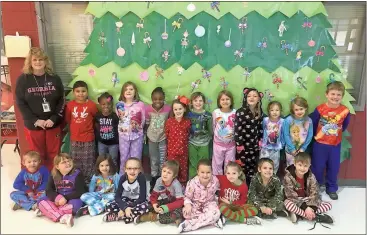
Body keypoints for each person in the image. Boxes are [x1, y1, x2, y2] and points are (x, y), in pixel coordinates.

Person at [15, 47, 65, 170]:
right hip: (34, 125)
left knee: (54, 154)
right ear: (30, 62)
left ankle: (54, 179)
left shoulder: (54, 78)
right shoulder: (23, 80)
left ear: (45, 61)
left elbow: (61, 100)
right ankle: (40, 181)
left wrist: (53, 119)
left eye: (41, 59)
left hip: (52, 123)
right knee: (37, 156)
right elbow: (20, 103)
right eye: (35, 60)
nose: (38, 62)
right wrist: (35, 120)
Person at [310, 81, 351, 200]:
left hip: (335, 145)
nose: (335, 97)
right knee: (317, 167)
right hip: (320, 144)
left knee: (334, 167)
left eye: (339, 94)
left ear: (342, 96)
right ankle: (315, 187)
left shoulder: (345, 111)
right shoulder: (320, 109)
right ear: (326, 94)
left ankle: (331, 188)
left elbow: (345, 125)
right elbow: (313, 123)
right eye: (333, 94)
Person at [283, 152, 333, 227]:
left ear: (309, 166)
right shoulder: (288, 176)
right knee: (287, 204)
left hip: (307, 199)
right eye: (300, 165)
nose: (302, 168)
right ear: (294, 163)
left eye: (305, 166)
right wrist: (305, 208)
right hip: (294, 200)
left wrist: (311, 207)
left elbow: (315, 192)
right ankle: (313, 216)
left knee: (328, 205)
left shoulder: (311, 176)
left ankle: (300, 214)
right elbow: (290, 195)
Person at [37, 153, 87, 227]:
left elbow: (80, 192)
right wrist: (57, 198)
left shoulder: (77, 174)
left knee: (75, 206)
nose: (68, 163)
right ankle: (64, 216)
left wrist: (65, 198)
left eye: (69, 160)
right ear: (57, 166)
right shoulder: (53, 174)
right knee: (41, 202)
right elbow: (48, 190)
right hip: (59, 199)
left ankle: (49, 212)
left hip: (73, 198)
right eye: (64, 162)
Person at [65, 81, 98, 184]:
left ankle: (89, 181)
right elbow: (68, 119)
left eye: (83, 91)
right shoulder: (70, 105)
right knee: (75, 160)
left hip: (88, 138)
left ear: (87, 92)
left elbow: (95, 118)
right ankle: (77, 180)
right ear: (74, 93)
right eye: (78, 91)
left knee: (88, 161)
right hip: (75, 138)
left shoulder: (91, 105)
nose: (80, 94)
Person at [178, 159, 223, 233]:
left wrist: (218, 200)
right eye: (202, 172)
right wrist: (188, 205)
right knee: (186, 214)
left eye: (208, 172)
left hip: (209, 203)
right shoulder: (192, 183)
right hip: (195, 204)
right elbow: (187, 197)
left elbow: (217, 192)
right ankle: (213, 222)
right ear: (197, 172)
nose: (205, 175)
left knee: (216, 213)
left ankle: (187, 225)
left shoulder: (215, 181)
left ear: (212, 172)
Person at [134, 160, 184, 225]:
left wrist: (166, 208)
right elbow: (154, 195)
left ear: (174, 176)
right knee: (148, 205)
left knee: (178, 212)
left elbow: (180, 202)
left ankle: (153, 217)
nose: (165, 174)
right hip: (166, 201)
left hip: (175, 204)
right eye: (164, 171)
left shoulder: (176, 184)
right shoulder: (159, 180)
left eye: (169, 173)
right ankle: (148, 214)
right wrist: (154, 204)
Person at [103, 158, 149, 223]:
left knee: (145, 206)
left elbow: (142, 198)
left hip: (138, 201)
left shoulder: (141, 178)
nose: (132, 171)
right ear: (125, 169)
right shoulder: (123, 178)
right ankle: (129, 216)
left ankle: (121, 215)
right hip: (126, 200)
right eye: (129, 168)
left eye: (135, 168)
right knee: (109, 205)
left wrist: (127, 207)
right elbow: (117, 197)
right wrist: (125, 207)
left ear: (140, 170)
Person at [234, 88, 264, 186]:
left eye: (255, 96)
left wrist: (260, 140)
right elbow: (237, 129)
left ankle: (251, 188)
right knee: (241, 167)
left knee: (253, 167)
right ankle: (240, 188)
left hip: (254, 147)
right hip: (243, 147)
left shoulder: (259, 112)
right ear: (246, 98)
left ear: (259, 99)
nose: (252, 98)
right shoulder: (240, 112)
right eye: (249, 96)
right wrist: (239, 144)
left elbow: (260, 127)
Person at [116, 81, 145, 174]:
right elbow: (120, 118)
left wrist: (137, 130)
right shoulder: (119, 105)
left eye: (131, 89)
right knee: (124, 157)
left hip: (137, 136)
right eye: (126, 89)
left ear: (135, 92)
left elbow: (143, 119)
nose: (128, 91)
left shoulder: (140, 104)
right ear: (122, 92)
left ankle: (136, 178)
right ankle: (122, 178)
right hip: (123, 136)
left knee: (136, 158)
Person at [145, 87, 171, 190]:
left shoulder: (168, 109)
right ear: (152, 99)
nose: (157, 101)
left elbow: (169, 123)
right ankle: (154, 178)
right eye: (155, 99)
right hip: (152, 138)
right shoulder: (148, 109)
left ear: (164, 99)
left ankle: (162, 178)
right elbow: (147, 124)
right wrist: (146, 136)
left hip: (163, 138)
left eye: (160, 99)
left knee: (162, 159)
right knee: (154, 159)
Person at [165, 97, 191, 186]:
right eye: (175, 109)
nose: (178, 111)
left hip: (183, 152)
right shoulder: (169, 122)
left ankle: (182, 186)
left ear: (184, 109)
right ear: (173, 110)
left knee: (183, 169)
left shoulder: (187, 122)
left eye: (180, 109)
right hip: (172, 152)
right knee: (171, 169)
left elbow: (188, 135)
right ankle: (171, 186)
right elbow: (167, 135)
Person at [187, 92, 212, 179]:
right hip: (191, 143)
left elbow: (210, 130)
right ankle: (192, 182)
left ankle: (203, 182)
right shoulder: (188, 114)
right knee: (193, 163)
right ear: (191, 102)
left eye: (200, 101)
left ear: (204, 102)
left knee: (204, 164)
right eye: (195, 100)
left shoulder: (208, 115)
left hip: (204, 143)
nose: (198, 103)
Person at [283, 97, 313, 167]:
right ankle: (289, 178)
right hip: (290, 150)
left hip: (302, 150)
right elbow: (286, 135)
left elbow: (310, 135)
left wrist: (303, 148)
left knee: (300, 167)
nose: (299, 111)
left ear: (305, 108)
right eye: (296, 109)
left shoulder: (309, 121)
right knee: (290, 167)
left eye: (301, 109)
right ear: (293, 110)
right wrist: (292, 149)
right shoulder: (288, 120)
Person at [212, 90, 236, 175]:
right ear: (219, 101)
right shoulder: (216, 112)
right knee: (216, 164)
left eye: (227, 99)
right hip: (218, 144)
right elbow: (213, 126)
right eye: (222, 99)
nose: (225, 101)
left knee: (230, 165)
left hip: (231, 145)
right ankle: (217, 183)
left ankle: (228, 183)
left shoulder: (235, 112)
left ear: (231, 100)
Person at [95, 92, 119, 168]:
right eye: (103, 104)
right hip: (101, 143)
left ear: (112, 104)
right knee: (102, 160)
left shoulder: (115, 116)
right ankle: (103, 175)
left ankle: (114, 176)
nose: (106, 106)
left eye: (108, 104)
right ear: (99, 104)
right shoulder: (97, 116)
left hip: (113, 144)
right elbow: (95, 128)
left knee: (113, 160)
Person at [259, 101, 285, 174]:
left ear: (280, 111)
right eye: (272, 110)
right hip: (265, 147)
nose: (274, 112)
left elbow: (283, 133)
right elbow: (262, 130)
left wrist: (282, 144)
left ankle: (273, 179)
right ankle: (262, 178)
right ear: (269, 111)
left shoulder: (282, 121)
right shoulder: (265, 120)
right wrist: (261, 142)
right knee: (263, 163)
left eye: (277, 110)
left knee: (274, 165)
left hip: (276, 148)